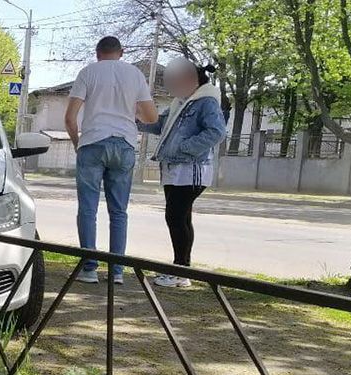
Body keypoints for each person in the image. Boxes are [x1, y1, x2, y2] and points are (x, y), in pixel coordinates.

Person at [64, 36, 159, 285]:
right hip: (124, 144)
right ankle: (117, 271)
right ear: (121, 52)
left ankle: (90, 268)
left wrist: (77, 143)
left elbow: (70, 118)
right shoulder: (135, 75)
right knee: (119, 211)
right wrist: (131, 113)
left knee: (88, 208)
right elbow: (151, 117)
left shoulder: (88, 73)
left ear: (97, 54)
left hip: (92, 143)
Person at [138, 57, 228, 288]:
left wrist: (185, 148)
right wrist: (134, 118)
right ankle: (181, 270)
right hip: (174, 168)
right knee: (181, 217)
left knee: (176, 217)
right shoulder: (181, 103)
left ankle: (180, 271)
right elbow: (158, 124)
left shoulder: (206, 102)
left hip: (191, 169)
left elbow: (216, 132)